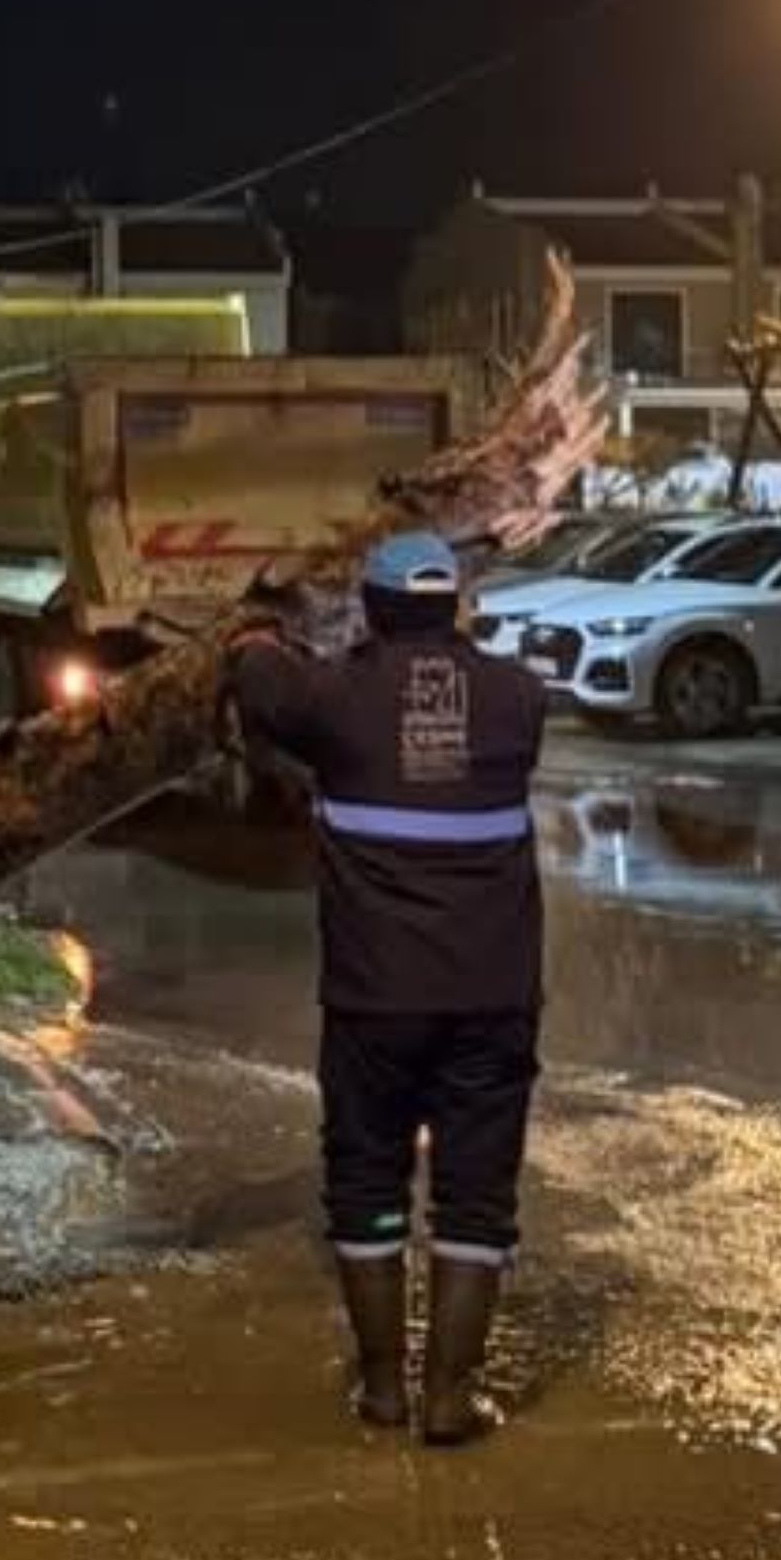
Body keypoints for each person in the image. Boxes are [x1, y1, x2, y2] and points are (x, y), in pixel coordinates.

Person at [227, 530, 549, 1447]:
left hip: (374, 1000)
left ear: (370, 609)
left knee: (366, 1181)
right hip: (492, 995)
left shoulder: (331, 699)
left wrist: (256, 631)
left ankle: (381, 1389)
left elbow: (255, 672)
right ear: (454, 608)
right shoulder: (517, 700)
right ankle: (449, 1398)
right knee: (474, 1194)